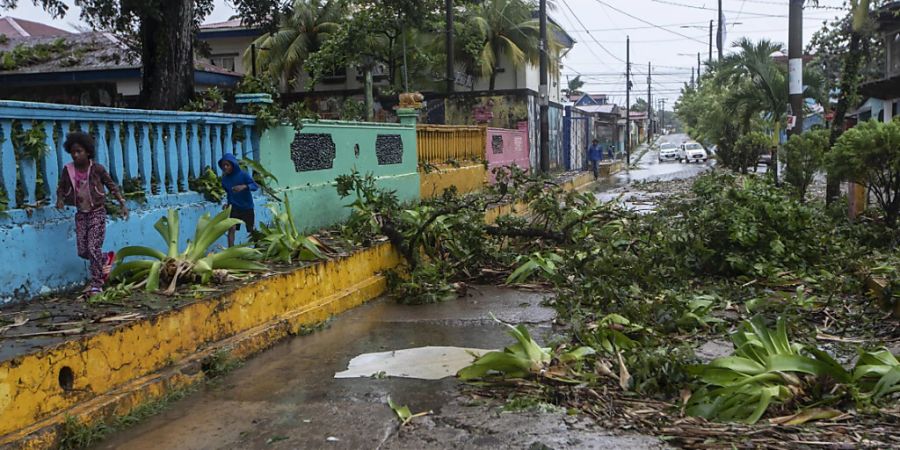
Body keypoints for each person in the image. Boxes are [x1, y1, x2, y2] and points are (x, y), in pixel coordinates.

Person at [55, 132, 128, 298]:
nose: (75, 155)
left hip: (97, 212)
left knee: (93, 246)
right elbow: (61, 186)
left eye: (79, 151)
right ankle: (104, 259)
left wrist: (122, 203)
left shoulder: (97, 169)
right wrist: (60, 199)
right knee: (83, 251)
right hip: (81, 214)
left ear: (88, 152)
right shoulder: (68, 170)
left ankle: (97, 283)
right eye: (73, 152)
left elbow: (111, 185)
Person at [218, 153, 259, 247]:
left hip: (247, 207)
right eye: (223, 165)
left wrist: (244, 186)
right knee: (231, 228)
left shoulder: (243, 175)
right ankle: (230, 251)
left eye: (227, 165)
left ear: (233, 165)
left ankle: (258, 248)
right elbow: (229, 194)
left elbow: (255, 186)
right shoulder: (224, 180)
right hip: (234, 208)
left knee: (251, 229)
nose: (225, 167)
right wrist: (227, 205)